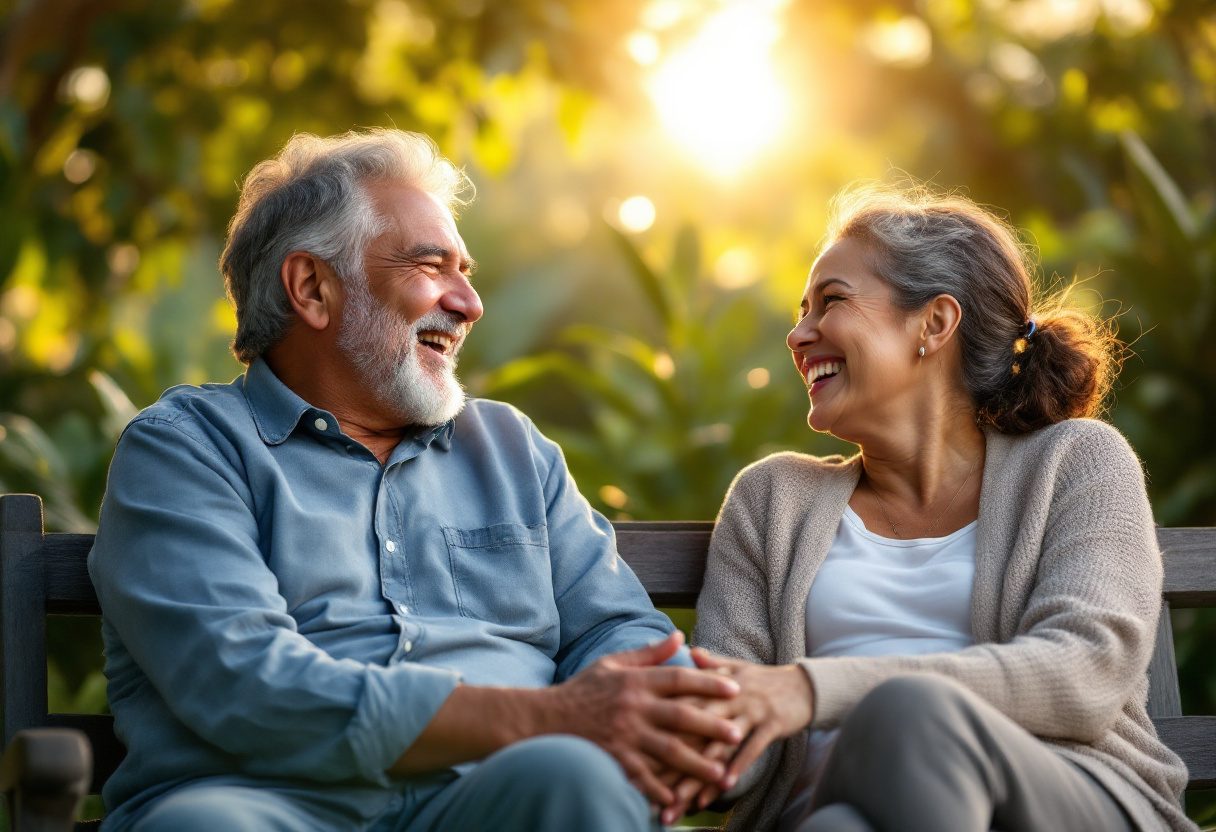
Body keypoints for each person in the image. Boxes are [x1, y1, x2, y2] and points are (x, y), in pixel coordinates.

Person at [87, 128, 742, 832]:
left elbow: (614, 628)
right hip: (270, 802)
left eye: (467, 271)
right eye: (433, 266)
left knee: (574, 777)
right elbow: (244, 682)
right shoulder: (187, 449)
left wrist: (634, 704)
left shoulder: (512, 448)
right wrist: (548, 715)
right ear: (313, 287)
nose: (469, 303)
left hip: (494, 798)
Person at [680, 185, 1196, 831]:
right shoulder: (772, 500)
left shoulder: (1075, 462)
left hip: (1055, 800)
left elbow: (1085, 672)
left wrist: (812, 691)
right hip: (822, 813)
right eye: (800, 310)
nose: (797, 333)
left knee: (907, 715)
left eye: (831, 301)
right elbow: (736, 729)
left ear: (935, 323)